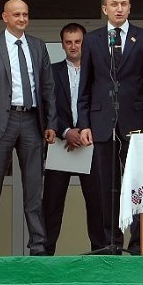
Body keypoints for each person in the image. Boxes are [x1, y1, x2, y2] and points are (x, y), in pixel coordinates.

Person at [78, 0, 143, 255]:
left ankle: (138, 243)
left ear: (129, 8)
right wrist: (84, 123)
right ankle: (110, 242)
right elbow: (85, 85)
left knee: (137, 182)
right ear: (105, 9)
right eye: (114, 4)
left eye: (123, 4)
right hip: (101, 121)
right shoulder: (92, 39)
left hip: (136, 120)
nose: (119, 8)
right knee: (105, 185)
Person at [0, 0, 56, 256]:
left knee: (34, 187)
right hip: (1, 121)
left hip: (32, 120)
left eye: (25, 14)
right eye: (17, 14)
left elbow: (48, 87)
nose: (22, 19)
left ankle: (38, 246)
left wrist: (51, 122)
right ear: (5, 17)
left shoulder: (38, 45)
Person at [42, 22, 105, 255]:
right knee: (52, 203)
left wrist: (85, 130)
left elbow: (103, 107)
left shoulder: (98, 72)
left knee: (97, 203)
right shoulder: (51, 71)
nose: (73, 46)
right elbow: (46, 107)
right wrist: (66, 131)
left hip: (90, 142)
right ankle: (45, 255)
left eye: (78, 41)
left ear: (85, 43)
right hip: (60, 143)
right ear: (62, 45)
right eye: (68, 42)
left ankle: (100, 254)